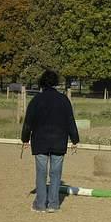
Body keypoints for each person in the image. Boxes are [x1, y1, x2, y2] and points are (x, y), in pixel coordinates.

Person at [21, 69, 79, 213]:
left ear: (42, 82)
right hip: (59, 141)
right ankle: (53, 204)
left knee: (41, 173)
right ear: (55, 82)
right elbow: (70, 121)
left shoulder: (36, 100)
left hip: (40, 141)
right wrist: (75, 139)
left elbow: (28, 122)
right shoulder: (64, 99)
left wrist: (25, 138)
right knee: (55, 173)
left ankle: (40, 204)